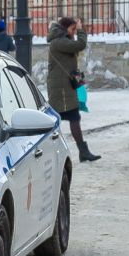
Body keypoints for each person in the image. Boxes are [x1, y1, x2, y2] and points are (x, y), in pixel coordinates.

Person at [47, 14, 100, 162]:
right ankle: (77, 152)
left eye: (76, 29)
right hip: (61, 89)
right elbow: (80, 45)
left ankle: (82, 152)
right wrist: (82, 30)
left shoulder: (62, 41)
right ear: (65, 28)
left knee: (70, 118)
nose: (74, 32)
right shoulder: (58, 42)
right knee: (62, 120)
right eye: (73, 29)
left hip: (64, 87)